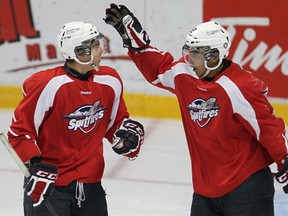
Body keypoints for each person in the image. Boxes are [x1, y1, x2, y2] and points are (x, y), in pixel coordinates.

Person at [104, 4, 288, 216]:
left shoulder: (240, 85)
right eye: (188, 52)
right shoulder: (185, 74)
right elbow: (158, 70)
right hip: (205, 190)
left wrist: (285, 162)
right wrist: (135, 42)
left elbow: (268, 128)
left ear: (213, 56)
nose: (189, 59)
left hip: (247, 188)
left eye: (196, 54)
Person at [7, 21, 145, 216]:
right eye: (96, 46)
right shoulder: (48, 85)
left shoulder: (109, 80)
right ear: (80, 51)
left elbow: (114, 121)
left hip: (91, 186)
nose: (101, 50)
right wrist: (37, 165)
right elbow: (20, 131)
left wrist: (125, 136)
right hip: (49, 186)